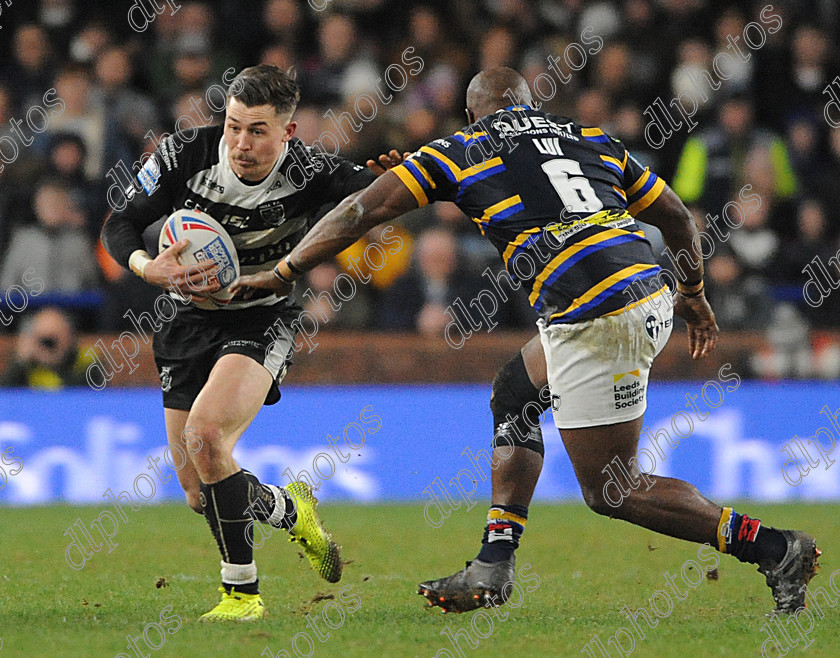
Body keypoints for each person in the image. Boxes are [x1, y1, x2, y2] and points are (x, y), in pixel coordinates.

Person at [232, 67, 820, 617]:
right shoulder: (588, 138)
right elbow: (677, 218)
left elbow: (361, 210)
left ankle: (774, 548)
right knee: (515, 391)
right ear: (527, 107)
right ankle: (494, 564)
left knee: (613, 489)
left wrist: (283, 271)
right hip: (644, 291)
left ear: (472, 115)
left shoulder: (458, 150)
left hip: (594, 314)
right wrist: (693, 292)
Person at [101, 65, 387, 621]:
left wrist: (395, 177)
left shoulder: (311, 172)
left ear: (288, 133)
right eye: (234, 127)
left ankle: (242, 594)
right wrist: (145, 266)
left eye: (257, 130)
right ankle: (288, 510)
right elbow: (121, 221)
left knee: (206, 437)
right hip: (185, 319)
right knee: (196, 487)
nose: (241, 143)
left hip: (262, 318)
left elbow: (382, 199)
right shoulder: (186, 152)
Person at [0, 307, 91, 389]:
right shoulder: (28, 364)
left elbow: (85, 395)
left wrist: (57, 360)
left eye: (52, 339)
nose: (47, 345)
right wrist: (20, 361)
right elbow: (6, 395)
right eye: (43, 339)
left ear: (70, 336)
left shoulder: (86, 359)